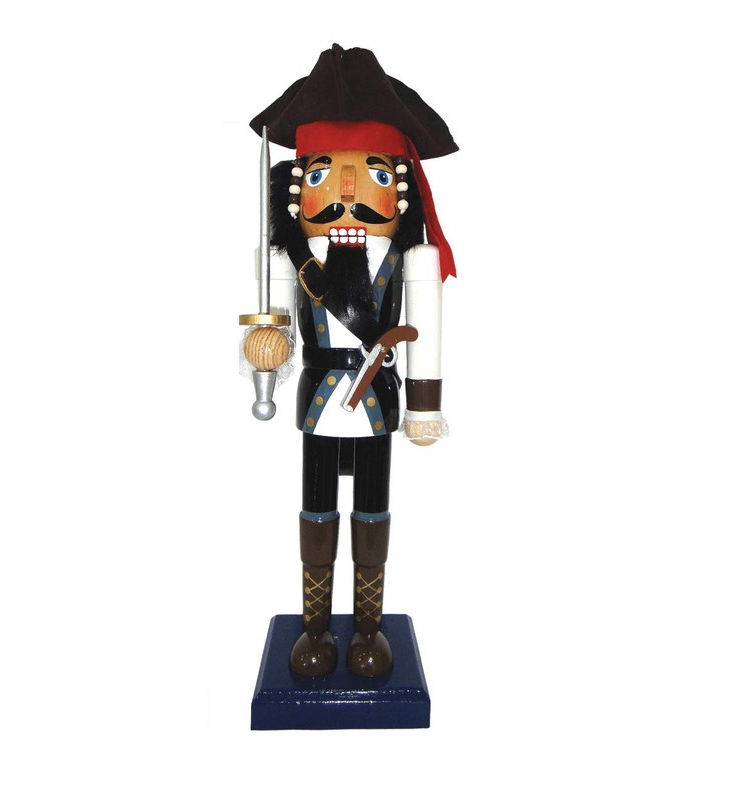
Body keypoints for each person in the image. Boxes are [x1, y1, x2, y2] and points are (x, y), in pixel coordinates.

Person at [248, 44, 458, 677]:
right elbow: (271, 319)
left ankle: (369, 628)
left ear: (400, 187)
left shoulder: (411, 261)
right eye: (322, 175)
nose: (345, 192)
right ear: (295, 187)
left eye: (369, 174)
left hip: (377, 401)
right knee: (316, 511)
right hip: (318, 398)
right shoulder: (291, 259)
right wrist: (266, 355)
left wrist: (424, 406)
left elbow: (425, 332)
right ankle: (314, 629)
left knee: (372, 511)